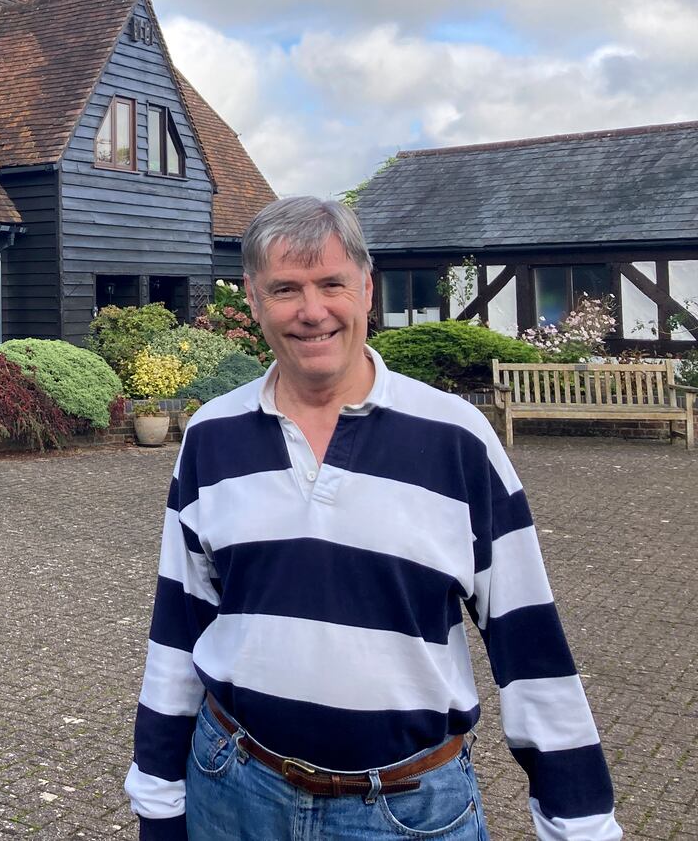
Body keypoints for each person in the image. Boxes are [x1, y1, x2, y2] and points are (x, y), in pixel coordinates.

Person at [126, 197, 620, 840]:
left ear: (365, 285)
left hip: (408, 813)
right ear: (252, 298)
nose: (312, 311)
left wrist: (579, 822)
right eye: (285, 289)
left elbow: (528, 642)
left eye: (331, 283)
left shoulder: (457, 439)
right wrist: (158, 799)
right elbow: (178, 626)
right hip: (233, 793)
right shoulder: (211, 436)